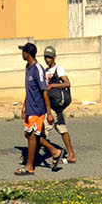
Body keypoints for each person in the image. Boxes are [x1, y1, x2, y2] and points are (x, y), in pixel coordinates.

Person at [16, 40, 65, 175]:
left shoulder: (38, 69)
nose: (22, 53)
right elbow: (29, 90)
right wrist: (25, 105)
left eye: (23, 51)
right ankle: (55, 151)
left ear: (27, 53)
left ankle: (30, 167)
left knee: (33, 136)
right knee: (29, 134)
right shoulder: (28, 68)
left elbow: (44, 92)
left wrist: (49, 113)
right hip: (30, 107)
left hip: (38, 108)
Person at [42, 44, 76, 164]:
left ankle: (34, 157)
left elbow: (67, 83)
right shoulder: (45, 71)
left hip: (54, 107)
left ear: (54, 57)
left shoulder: (59, 69)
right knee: (62, 129)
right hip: (51, 106)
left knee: (41, 134)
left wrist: (53, 85)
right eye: (46, 57)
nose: (47, 59)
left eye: (50, 57)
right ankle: (71, 155)